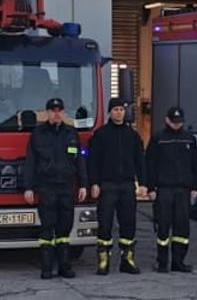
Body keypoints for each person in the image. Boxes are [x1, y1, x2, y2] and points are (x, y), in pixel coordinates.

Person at [23, 96, 88, 280]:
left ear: (63, 113)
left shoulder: (71, 133)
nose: (56, 113)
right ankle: (46, 267)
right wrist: (28, 188)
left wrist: (83, 184)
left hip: (67, 187)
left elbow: (79, 162)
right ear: (47, 113)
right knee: (47, 229)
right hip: (46, 187)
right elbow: (30, 163)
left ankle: (64, 267)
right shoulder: (38, 134)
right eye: (53, 110)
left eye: (59, 110)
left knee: (64, 229)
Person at [88, 97, 145, 275]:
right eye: (115, 110)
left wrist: (144, 184)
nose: (119, 112)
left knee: (128, 223)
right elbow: (93, 161)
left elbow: (140, 162)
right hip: (107, 185)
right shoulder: (101, 134)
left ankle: (127, 260)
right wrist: (94, 183)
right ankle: (104, 260)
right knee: (105, 224)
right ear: (109, 112)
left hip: (127, 185)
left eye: (121, 109)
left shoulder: (133, 135)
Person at [144, 106, 197, 273]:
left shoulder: (189, 139)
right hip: (164, 189)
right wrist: (150, 187)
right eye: (174, 121)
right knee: (163, 226)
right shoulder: (158, 138)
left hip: (183, 189)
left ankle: (179, 262)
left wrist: (196, 187)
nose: (176, 125)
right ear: (167, 120)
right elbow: (150, 164)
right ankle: (162, 262)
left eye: (179, 122)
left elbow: (195, 164)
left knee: (182, 228)